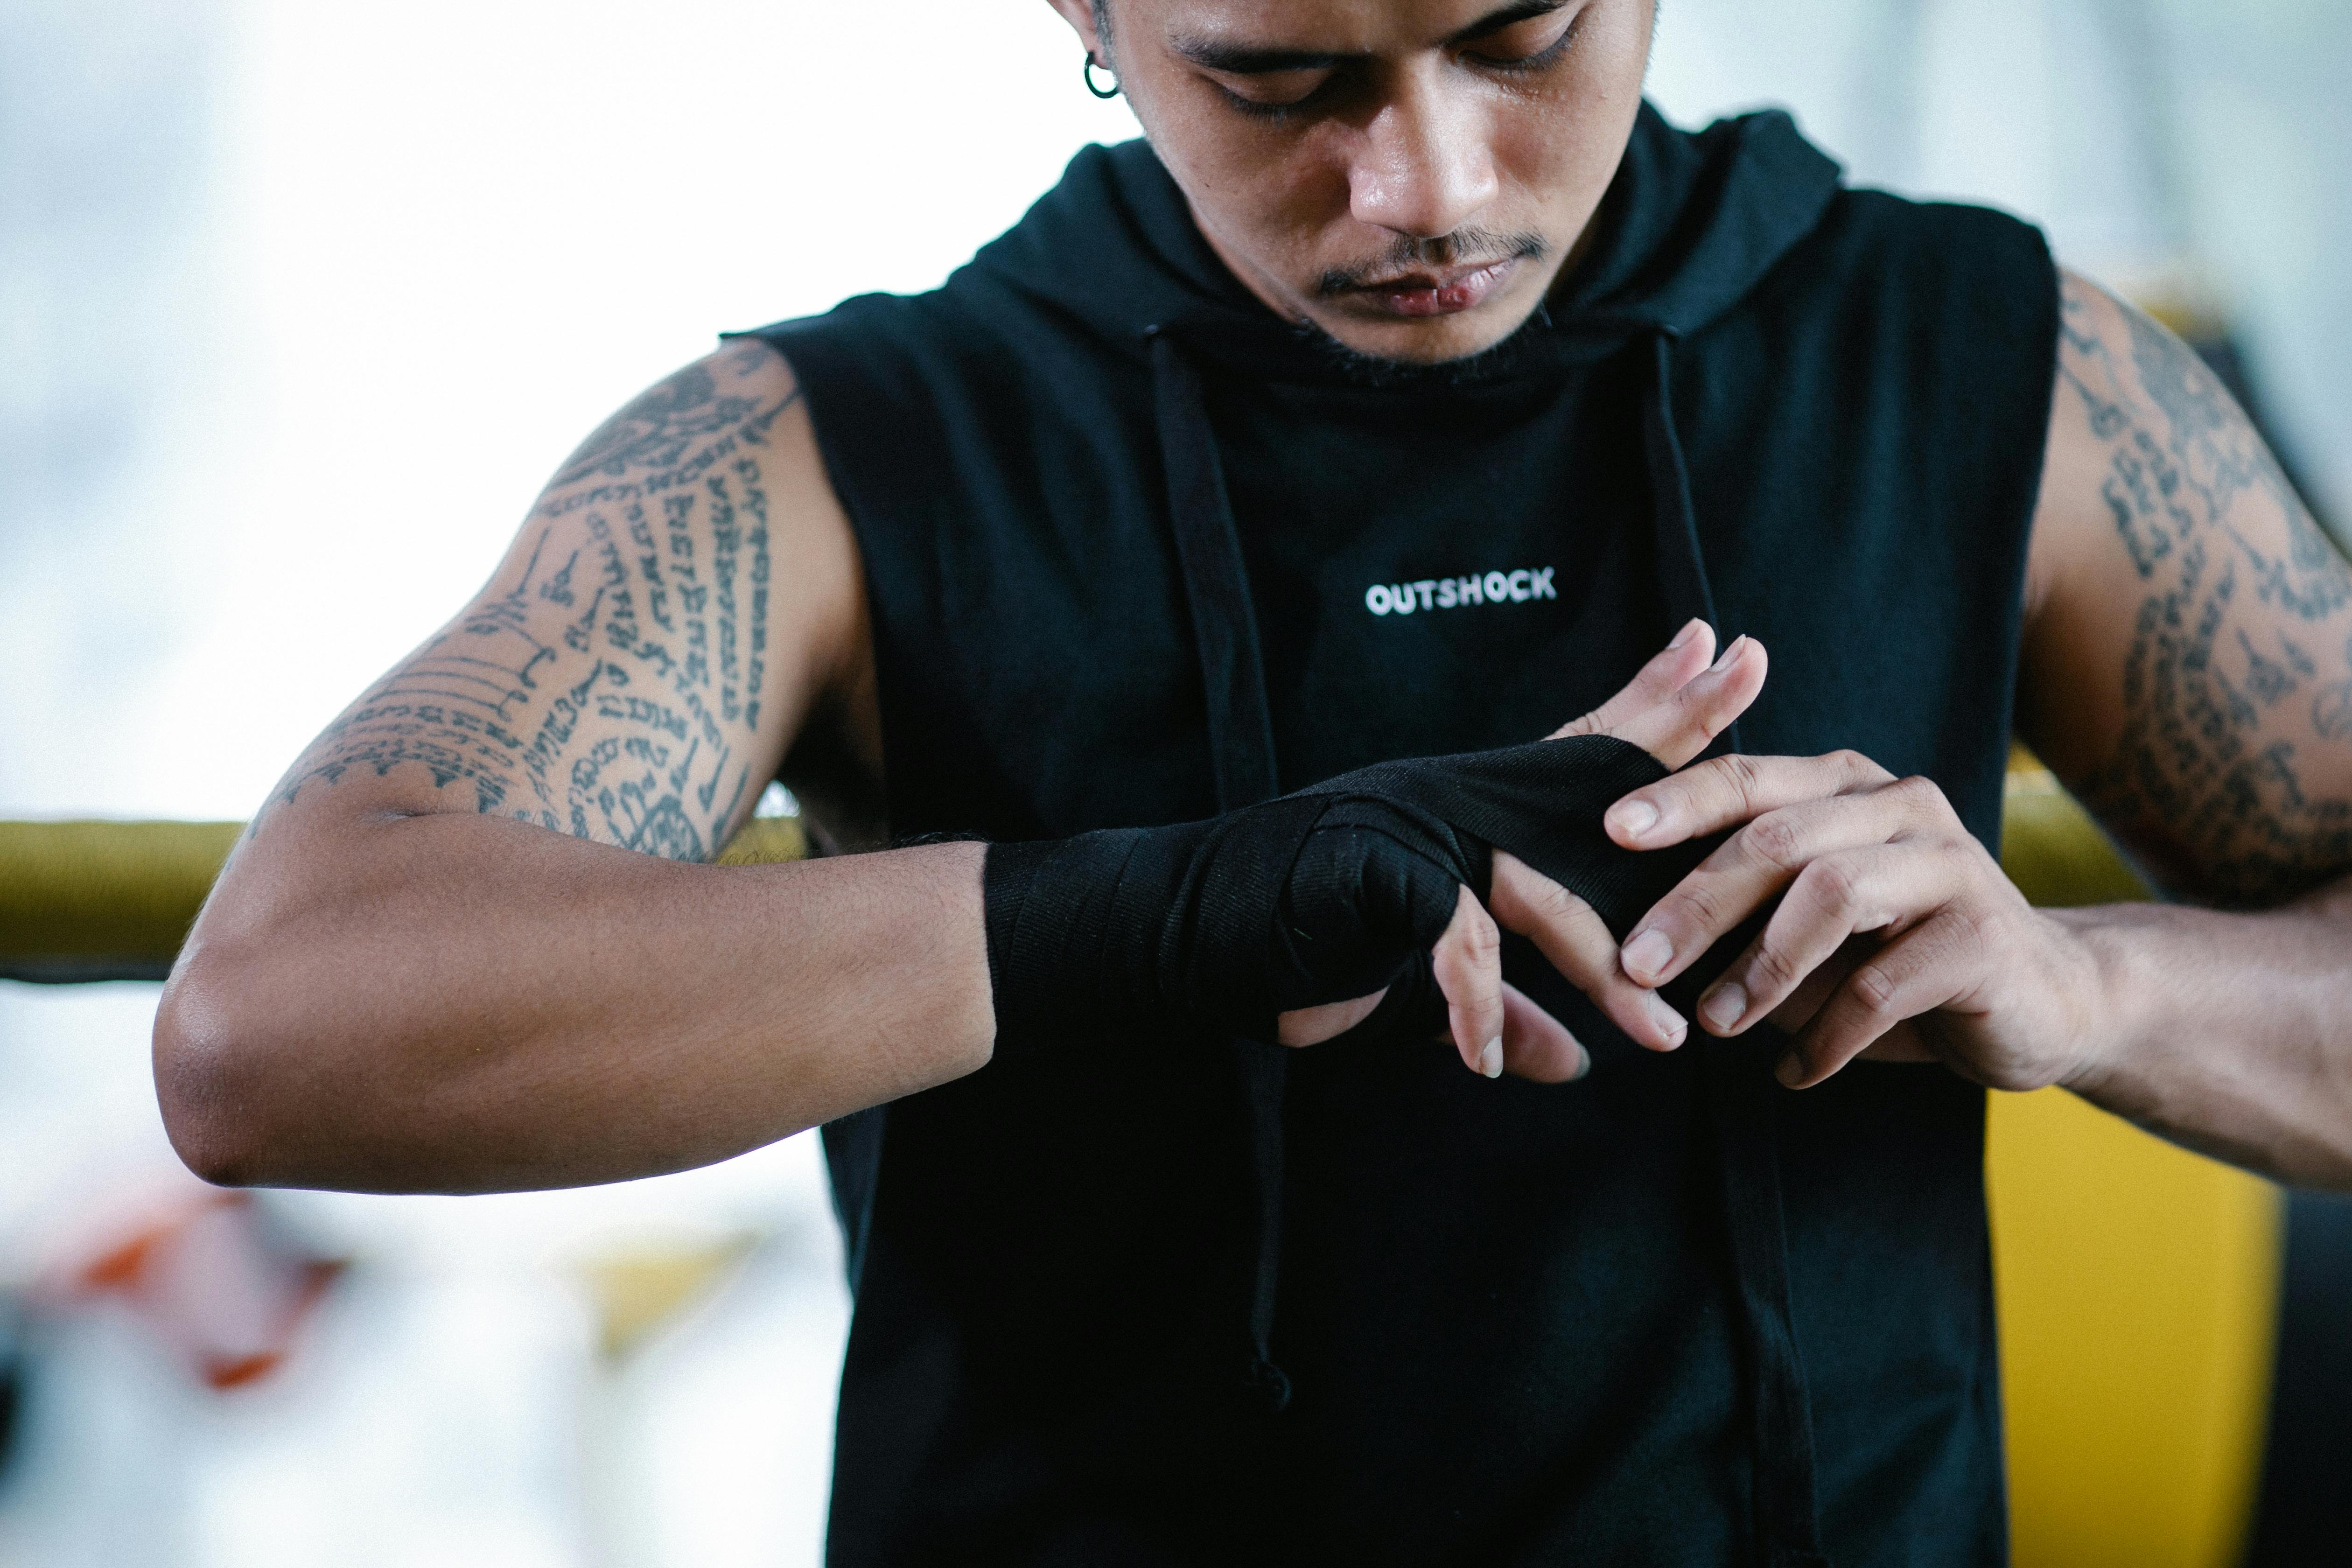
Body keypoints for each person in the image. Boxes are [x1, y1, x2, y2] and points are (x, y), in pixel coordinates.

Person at [153, 0, 2352, 1561]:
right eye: (1279, 78)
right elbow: (271, 1028)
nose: (1432, 185)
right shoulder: (835, 449)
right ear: (1087, 10)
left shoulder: (1996, 362)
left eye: (1521, 33)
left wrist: (2097, 993)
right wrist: (1172, 907)